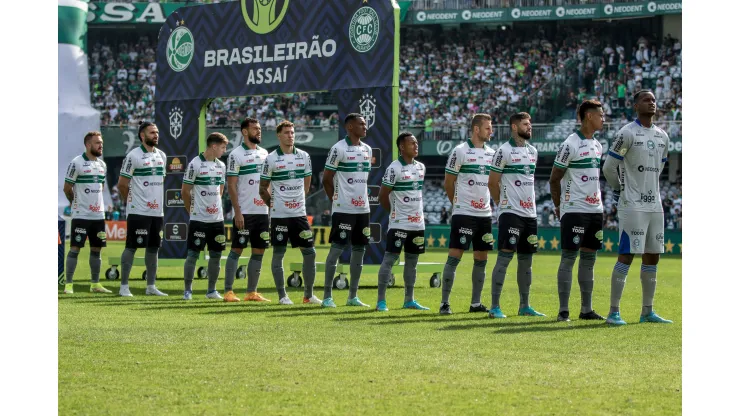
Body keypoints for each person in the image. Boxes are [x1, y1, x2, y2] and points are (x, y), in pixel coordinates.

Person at [602, 90, 672, 325]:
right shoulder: (627, 133)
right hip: (632, 204)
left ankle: (647, 311)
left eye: (653, 100)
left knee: (653, 256)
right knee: (627, 254)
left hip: (655, 205)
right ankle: (613, 312)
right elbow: (609, 167)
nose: (651, 103)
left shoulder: (663, 136)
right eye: (646, 100)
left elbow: (660, 167)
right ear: (635, 106)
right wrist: (621, 189)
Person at [548, 100, 607, 322]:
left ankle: (586, 309)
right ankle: (563, 310)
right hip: (574, 210)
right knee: (569, 258)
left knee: (589, 259)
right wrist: (558, 205)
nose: (604, 118)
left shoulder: (598, 146)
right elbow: (554, 178)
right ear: (589, 116)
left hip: (595, 210)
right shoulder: (570, 144)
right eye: (600, 114)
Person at [487, 112, 545, 318]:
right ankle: (494, 307)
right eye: (525, 124)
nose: (529, 127)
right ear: (513, 127)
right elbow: (492, 182)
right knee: (504, 258)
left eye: (530, 123)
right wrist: (501, 204)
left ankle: (524, 306)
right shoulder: (503, 151)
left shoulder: (533, 151)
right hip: (511, 213)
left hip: (530, 214)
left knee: (526, 261)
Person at [439, 113, 496, 315]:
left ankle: (475, 303)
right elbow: (448, 182)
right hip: (464, 213)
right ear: (476, 129)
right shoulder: (460, 151)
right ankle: (445, 303)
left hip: (485, 214)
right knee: (455, 255)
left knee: (481, 258)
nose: (491, 131)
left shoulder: (492, 153)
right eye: (488, 128)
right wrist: (456, 203)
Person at [259, 121, 321, 305]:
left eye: (292, 132)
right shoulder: (270, 159)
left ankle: (308, 296)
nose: (290, 135)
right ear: (279, 135)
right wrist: (273, 204)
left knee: (310, 253)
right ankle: (282, 296)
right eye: (286, 133)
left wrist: (298, 199)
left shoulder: (304, 156)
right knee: (279, 253)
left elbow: (307, 184)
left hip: (299, 215)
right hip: (279, 216)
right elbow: (262, 188)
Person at [321, 113, 372, 308]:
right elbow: (327, 179)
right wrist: (336, 200)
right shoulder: (338, 149)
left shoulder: (367, 149)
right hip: (343, 209)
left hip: (363, 209)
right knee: (336, 250)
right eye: (361, 124)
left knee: (359, 251)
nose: (365, 127)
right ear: (350, 127)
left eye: (365, 124)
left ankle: (353, 296)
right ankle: (327, 297)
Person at [376, 132, 429, 312]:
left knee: (412, 263)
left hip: (418, 224)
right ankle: (381, 301)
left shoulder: (421, 167)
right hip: (399, 224)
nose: (416, 146)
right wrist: (394, 213)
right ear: (401, 147)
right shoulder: (394, 168)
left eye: (416, 143)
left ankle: (409, 300)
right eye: (411, 143)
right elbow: (382, 196)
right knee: (389, 260)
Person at [117, 121, 168, 297]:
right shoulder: (133, 156)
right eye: (152, 132)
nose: (156, 135)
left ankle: (151, 286)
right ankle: (124, 286)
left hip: (157, 212)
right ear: (142, 135)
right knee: (132, 247)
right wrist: (130, 202)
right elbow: (122, 184)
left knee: (153, 248)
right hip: (138, 211)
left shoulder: (162, 155)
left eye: (157, 132)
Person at [223, 118, 270, 303]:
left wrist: (270, 207)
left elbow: (268, 184)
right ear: (244, 132)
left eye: (260, 128)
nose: (259, 131)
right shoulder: (236, 155)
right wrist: (238, 212)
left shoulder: (266, 153)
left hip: (262, 212)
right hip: (245, 211)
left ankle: (251, 292)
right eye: (255, 129)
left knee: (259, 250)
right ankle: (228, 292)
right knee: (237, 249)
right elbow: (232, 186)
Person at [62, 131, 112, 294]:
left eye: (102, 142)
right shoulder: (76, 163)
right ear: (88, 145)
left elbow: (101, 188)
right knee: (75, 248)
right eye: (97, 143)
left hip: (98, 216)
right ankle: (68, 285)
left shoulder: (102, 165)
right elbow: (67, 188)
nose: (101, 145)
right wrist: (75, 203)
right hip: (81, 215)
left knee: (97, 249)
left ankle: (95, 284)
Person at [181, 133, 228, 300]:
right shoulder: (195, 164)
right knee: (193, 255)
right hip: (198, 219)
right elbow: (185, 191)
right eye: (223, 147)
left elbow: (220, 190)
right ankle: (187, 290)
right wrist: (191, 210)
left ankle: (211, 290)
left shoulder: (221, 166)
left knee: (216, 255)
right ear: (214, 146)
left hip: (217, 219)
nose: (224, 151)